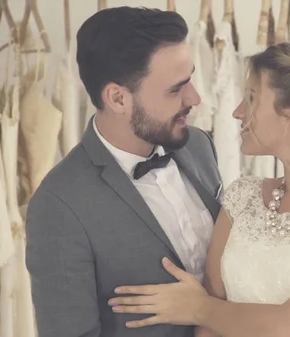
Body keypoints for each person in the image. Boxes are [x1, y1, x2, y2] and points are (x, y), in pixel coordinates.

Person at [108, 40, 290, 337]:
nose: (238, 112)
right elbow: (209, 326)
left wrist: (197, 307)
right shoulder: (243, 197)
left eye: (251, 98)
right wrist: (202, 310)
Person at [25, 7, 223, 337]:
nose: (196, 98)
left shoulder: (199, 146)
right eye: (176, 88)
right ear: (118, 98)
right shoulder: (58, 205)